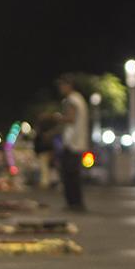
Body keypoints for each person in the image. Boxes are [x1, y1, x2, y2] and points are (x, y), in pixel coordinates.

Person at [56, 76, 89, 211]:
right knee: (73, 174)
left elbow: (71, 118)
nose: (60, 89)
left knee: (69, 174)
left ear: (69, 85)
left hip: (72, 142)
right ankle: (75, 202)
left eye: (62, 85)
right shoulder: (79, 99)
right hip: (77, 141)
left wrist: (57, 117)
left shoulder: (72, 100)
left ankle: (74, 203)